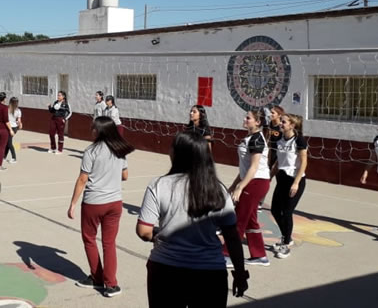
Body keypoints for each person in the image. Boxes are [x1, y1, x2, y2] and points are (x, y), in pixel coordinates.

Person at [136, 132, 248, 307]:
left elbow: (144, 231)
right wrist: (240, 274)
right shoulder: (218, 189)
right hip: (210, 273)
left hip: (165, 270)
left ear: (177, 154)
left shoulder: (159, 185)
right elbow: (232, 237)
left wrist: (159, 235)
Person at [68, 116, 133, 298]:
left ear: (100, 131)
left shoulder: (91, 151)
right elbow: (125, 176)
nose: (92, 131)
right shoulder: (120, 150)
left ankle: (97, 277)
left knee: (89, 238)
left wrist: (73, 203)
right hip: (115, 202)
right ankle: (111, 284)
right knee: (109, 243)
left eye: (94, 128)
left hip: (94, 202)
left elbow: (83, 178)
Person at [224, 109, 271, 267]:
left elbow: (254, 167)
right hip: (251, 180)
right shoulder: (250, 138)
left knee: (238, 218)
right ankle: (260, 255)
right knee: (250, 220)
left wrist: (240, 187)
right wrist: (234, 185)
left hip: (256, 182)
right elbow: (245, 168)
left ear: (258, 122)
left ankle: (228, 254)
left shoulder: (257, 139)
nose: (245, 119)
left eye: (248, 118)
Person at [270, 113, 308, 258]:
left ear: (292, 125)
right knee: (275, 210)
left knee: (287, 212)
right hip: (281, 179)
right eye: (281, 121)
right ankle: (286, 236)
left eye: (284, 122)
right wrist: (270, 177)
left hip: (294, 180)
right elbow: (278, 162)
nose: (280, 123)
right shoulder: (279, 140)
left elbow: (304, 162)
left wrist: (296, 183)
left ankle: (285, 245)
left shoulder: (299, 140)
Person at [4, 97, 22, 163]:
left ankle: (14, 158)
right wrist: (19, 124)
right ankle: (4, 156)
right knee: (7, 142)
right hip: (13, 127)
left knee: (9, 143)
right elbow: (19, 120)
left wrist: (19, 123)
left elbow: (19, 120)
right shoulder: (18, 110)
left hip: (11, 127)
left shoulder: (7, 109)